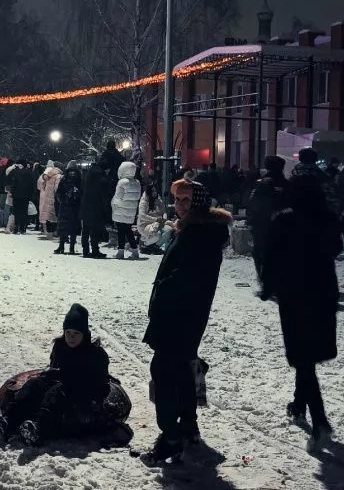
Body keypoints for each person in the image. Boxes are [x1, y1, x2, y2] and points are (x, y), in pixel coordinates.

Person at [142, 180, 231, 462]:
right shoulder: (197, 230)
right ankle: (188, 427)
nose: (180, 205)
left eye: (186, 200)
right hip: (186, 314)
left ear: (198, 203)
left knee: (165, 371)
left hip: (179, 315)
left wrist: (163, 293)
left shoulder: (198, 234)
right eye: (178, 199)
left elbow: (187, 277)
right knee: (182, 370)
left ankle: (171, 436)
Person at [264, 174, 343, 450]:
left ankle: (320, 421)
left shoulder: (284, 220)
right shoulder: (328, 218)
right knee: (308, 354)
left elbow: (270, 256)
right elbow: (337, 248)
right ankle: (299, 404)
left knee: (302, 356)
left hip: (295, 294)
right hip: (323, 292)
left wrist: (268, 286)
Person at [0, 304, 131, 446]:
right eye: (68, 332)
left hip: (84, 392)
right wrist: (50, 375)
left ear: (84, 334)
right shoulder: (60, 346)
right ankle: (8, 420)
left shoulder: (95, 353)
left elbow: (98, 380)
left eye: (76, 333)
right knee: (34, 384)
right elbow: (55, 368)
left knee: (57, 392)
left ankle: (39, 427)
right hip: (62, 383)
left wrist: (64, 375)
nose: (71, 337)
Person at [248, 156, 289, 294]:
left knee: (260, 254)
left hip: (262, 226)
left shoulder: (261, 184)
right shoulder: (288, 184)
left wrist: (251, 221)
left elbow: (252, 204)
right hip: (283, 225)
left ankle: (266, 283)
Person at [291, 148, 340, 216]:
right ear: (315, 159)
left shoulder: (294, 173)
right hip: (316, 213)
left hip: (297, 213)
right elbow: (331, 198)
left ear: (300, 158)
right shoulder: (321, 175)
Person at [110, 161, 142, 260]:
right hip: (131, 211)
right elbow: (137, 196)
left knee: (121, 231)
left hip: (120, 210)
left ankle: (120, 252)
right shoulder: (137, 182)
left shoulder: (122, 182)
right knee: (128, 230)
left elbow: (118, 197)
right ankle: (135, 251)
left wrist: (113, 204)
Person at [80, 159, 110, 257]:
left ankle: (85, 250)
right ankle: (95, 250)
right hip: (95, 206)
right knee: (94, 230)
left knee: (85, 229)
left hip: (86, 205)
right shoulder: (100, 175)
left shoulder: (90, 172)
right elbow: (104, 191)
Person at [55, 166, 83, 255]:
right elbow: (59, 192)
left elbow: (82, 193)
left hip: (72, 207)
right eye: (71, 171)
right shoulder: (65, 181)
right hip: (67, 206)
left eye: (73, 171)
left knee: (70, 228)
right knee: (66, 228)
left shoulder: (77, 182)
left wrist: (76, 195)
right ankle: (63, 246)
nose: (72, 173)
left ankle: (69, 247)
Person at [9, 160, 36, 235]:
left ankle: (16, 227)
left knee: (16, 211)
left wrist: (12, 192)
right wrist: (31, 195)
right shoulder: (29, 173)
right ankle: (23, 228)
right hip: (26, 195)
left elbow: (12, 183)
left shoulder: (15, 172)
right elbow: (32, 185)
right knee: (24, 212)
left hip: (16, 195)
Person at [38, 161, 62, 238]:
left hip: (46, 196)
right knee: (54, 215)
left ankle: (48, 232)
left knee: (47, 216)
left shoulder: (47, 175)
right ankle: (54, 232)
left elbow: (39, 186)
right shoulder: (58, 176)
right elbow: (57, 188)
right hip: (54, 198)